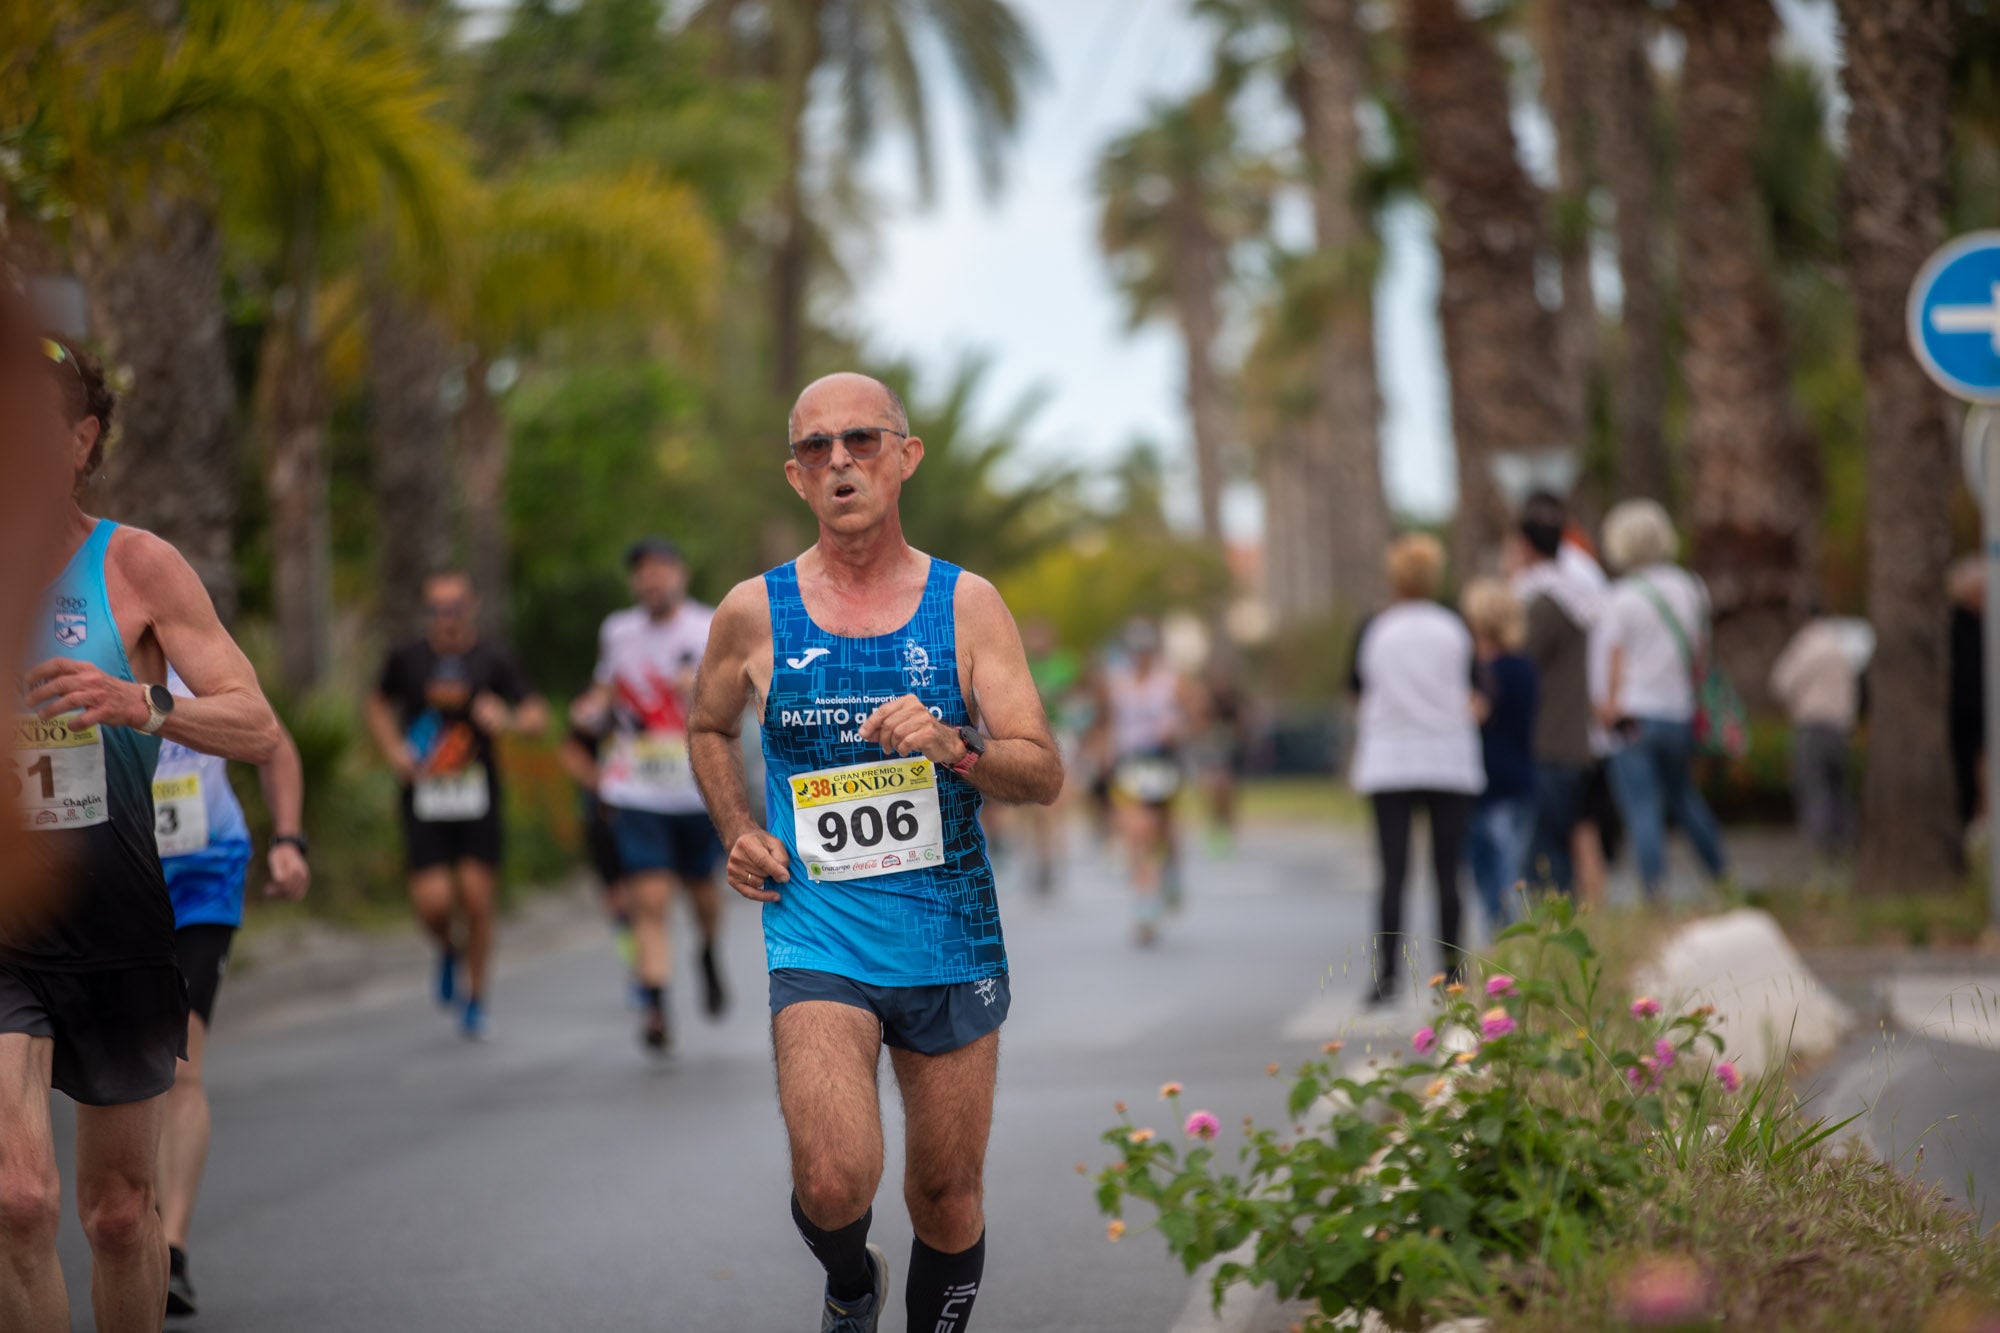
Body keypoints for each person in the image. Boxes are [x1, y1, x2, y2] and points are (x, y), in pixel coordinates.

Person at [688, 372, 1062, 1333]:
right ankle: (851, 1282)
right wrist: (738, 828)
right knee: (830, 1177)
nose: (840, 460)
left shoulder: (968, 604)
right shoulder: (753, 611)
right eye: (817, 448)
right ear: (795, 476)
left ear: (906, 456)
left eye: (861, 439)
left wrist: (953, 741)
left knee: (946, 1197)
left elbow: (1042, 770)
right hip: (817, 934)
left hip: (950, 936)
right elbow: (707, 727)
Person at [8, 334, 284, 1331]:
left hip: (119, 924)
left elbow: (253, 723)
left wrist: (139, 701)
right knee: (19, 1197)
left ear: (80, 440)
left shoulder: (133, 564)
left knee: (119, 1213)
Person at [155, 669, 311, 1317]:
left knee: (179, 1067)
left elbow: (271, 739)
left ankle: (170, 1249)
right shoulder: (56, 633)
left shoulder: (195, 652)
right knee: (122, 1066)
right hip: (101, 884)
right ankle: (125, 1227)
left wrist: (287, 838)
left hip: (203, 873)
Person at [366, 573, 547, 1040]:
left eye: (455, 608)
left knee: (477, 897)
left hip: (477, 795)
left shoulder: (493, 658)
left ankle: (476, 997)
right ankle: (448, 947)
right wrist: (393, 751)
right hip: (423, 794)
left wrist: (505, 716)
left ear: (473, 607)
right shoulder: (408, 658)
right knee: (433, 902)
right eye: (437, 609)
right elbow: (376, 703)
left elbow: (536, 715)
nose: (446, 618)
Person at [574, 537, 727, 1055]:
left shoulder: (709, 625)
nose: (653, 579)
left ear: (680, 574)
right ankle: (656, 1004)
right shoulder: (617, 631)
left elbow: (742, 697)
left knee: (703, 894)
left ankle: (706, 950)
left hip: (696, 788)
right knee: (650, 898)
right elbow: (606, 689)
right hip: (636, 787)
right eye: (643, 572)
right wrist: (590, 708)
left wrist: (699, 689)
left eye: (662, 569)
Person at [1348, 534, 1483, 1005]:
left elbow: (1356, 688)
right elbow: (1476, 689)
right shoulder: (1454, 627)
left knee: (1393, 872)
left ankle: (1386, 976)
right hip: (1446, 757)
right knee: (1448, 872)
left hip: (1390, 759)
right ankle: (1453, 973)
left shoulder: (1376, 627)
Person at [1595, 499, 1728, 901]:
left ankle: (1654, 896)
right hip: (1680, 710)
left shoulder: (1621, 596)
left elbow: (1613, 661)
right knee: (1686, 799)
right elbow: (1700, 650)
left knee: (1642, 809)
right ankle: (1723, 878)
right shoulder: (1691, 587)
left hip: (1635, 713)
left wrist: (1607, 707)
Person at [1508, 491, 1602, 896]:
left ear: (1526, 546)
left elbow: (1519, 665)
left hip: (1549, 743)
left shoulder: (1543, 605)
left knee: (1544, 861)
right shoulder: (1577, 593)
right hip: (1573, 741)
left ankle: (1554, 944)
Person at [1094, 621, 1203, 946]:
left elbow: (1197, 715)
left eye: (1146, 649)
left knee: (1165, 830)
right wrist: (1102, 750)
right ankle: (1145, 908)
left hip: (1164, 761)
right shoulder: (1115, 683)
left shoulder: (1172, 680)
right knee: (1137, 832)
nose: (1140, 656)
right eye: (1135, 650)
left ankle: (1171, 874)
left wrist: (1179, 728)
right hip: (1130, 763)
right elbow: (1104, 721)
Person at [1461, 579, 1538, 931]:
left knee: (1498, 875)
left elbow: (1477, 712)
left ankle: (1507, 944)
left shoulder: (1493, 671)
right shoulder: (1523, 666)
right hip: (1520, 775)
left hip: (1493, 780)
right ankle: (1508, 944)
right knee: (1507, 870)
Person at [557, 700, 637, 1001]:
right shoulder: (595, 698)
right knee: (617, 898)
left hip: (645, 814)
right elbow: (568, 748)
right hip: (603, 816)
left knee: (644, 894)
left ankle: (647, 970)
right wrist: (601, 783)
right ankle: (636, 968)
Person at [1770, 612, 1861, 861]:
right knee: (1839, 790)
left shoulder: (1807, 644)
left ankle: (1821, 850)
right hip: (1841, 729)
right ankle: (1847, 845)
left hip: (1812, 725)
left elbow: (1781, 681)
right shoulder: (1843, 650)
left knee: (1814, 787)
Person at [1948, 555, 1986, 833]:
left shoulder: (1986, 627)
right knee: (1966, 773)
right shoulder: (1956, 627)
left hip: (1979, 712)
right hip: (1966, 713)